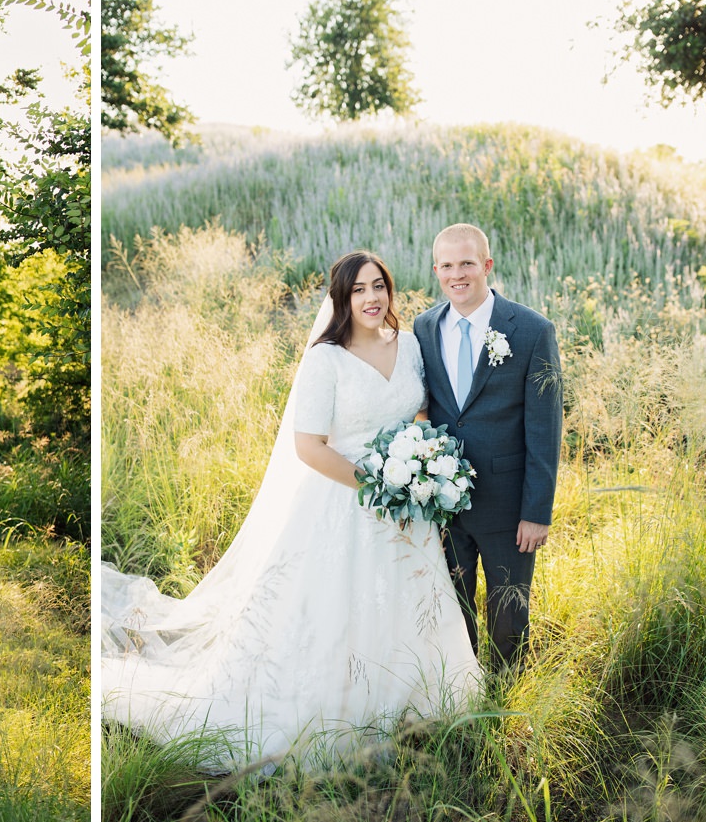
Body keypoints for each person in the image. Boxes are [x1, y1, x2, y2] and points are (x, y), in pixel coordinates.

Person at [99, 250, 482, 771]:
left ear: (391, 292)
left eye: (379, 286)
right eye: (358, 290)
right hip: (343, 503)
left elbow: (417, 411)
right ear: (341, 300)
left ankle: (417, 708)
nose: (371, 298)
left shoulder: (411, 346)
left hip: (406, 508)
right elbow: (310, 447)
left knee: (409, 604)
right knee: (334, 611)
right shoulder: (326, 360)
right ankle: (339, 715)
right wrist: (377, 485)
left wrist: (419, 465)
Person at [411, 223, 562, 670]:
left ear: (487, 266)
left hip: (507, 506)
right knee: (452, 609)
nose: (457, 274)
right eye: (447, 265)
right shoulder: (424, 327)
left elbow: (545, 429)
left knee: (508, 615)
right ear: (436, 269)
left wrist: (536, 511)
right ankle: (461, 694)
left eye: (468, 263)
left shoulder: (531, 330)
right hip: (443, 504)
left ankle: (505, 699)